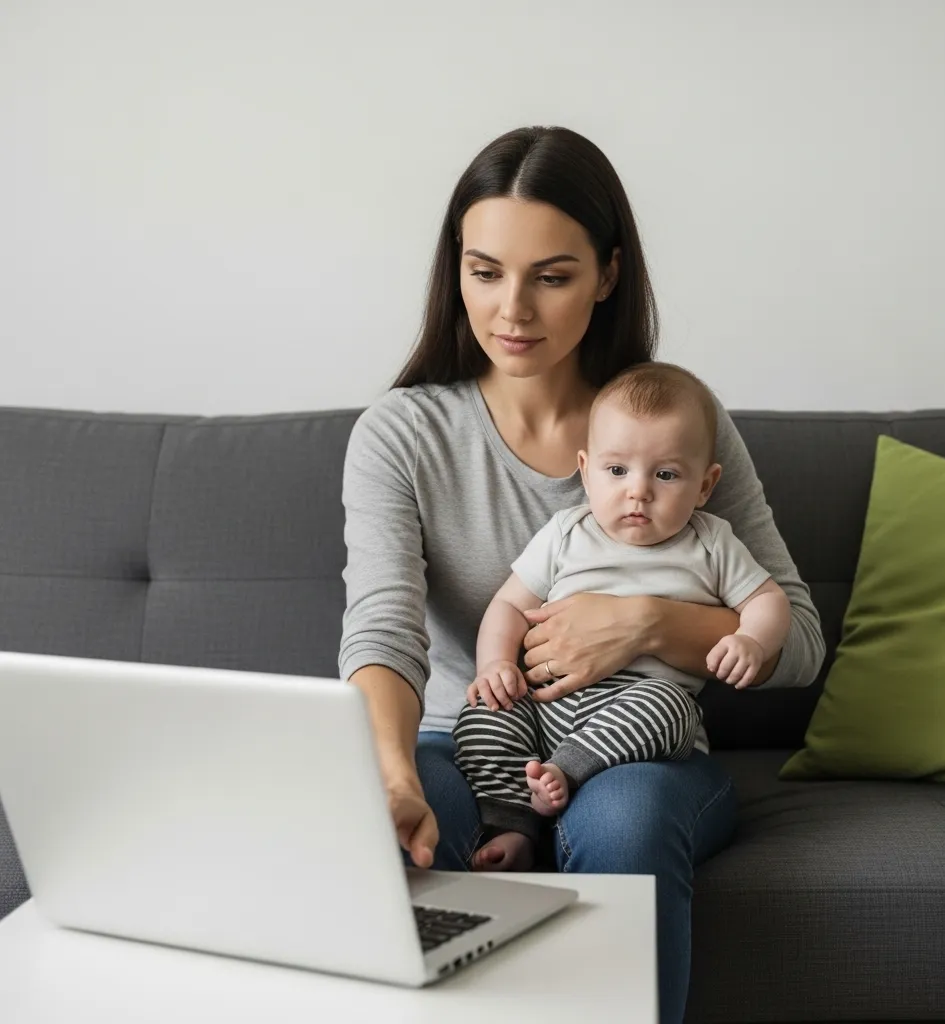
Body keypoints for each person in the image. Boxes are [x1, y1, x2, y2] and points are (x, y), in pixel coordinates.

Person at [338, 125, 825, 1023]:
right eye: (484, 272)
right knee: (408, 816)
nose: (512, 310)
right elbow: (382, 632)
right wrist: (393, 771)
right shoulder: (403, 435)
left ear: (607, 274)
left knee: (623, 824)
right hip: (471, 732)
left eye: (551, 276)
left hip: (644, 750)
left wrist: (646, 624)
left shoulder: (676, 426)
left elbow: (796, 640)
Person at [452, 362, 792, 871]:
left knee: (670, 704)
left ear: (705, 484)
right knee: (482, 714)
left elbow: (770, 601)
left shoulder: (711, 542)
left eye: (666, 474)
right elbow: (507, 605)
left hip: (639, 722)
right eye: (617, 471)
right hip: (544, 709)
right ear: (585, 470)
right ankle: (513, 824)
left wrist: (754, 641)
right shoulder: (567, 532)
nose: (639, 491)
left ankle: (563, 774)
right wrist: (495, 665)